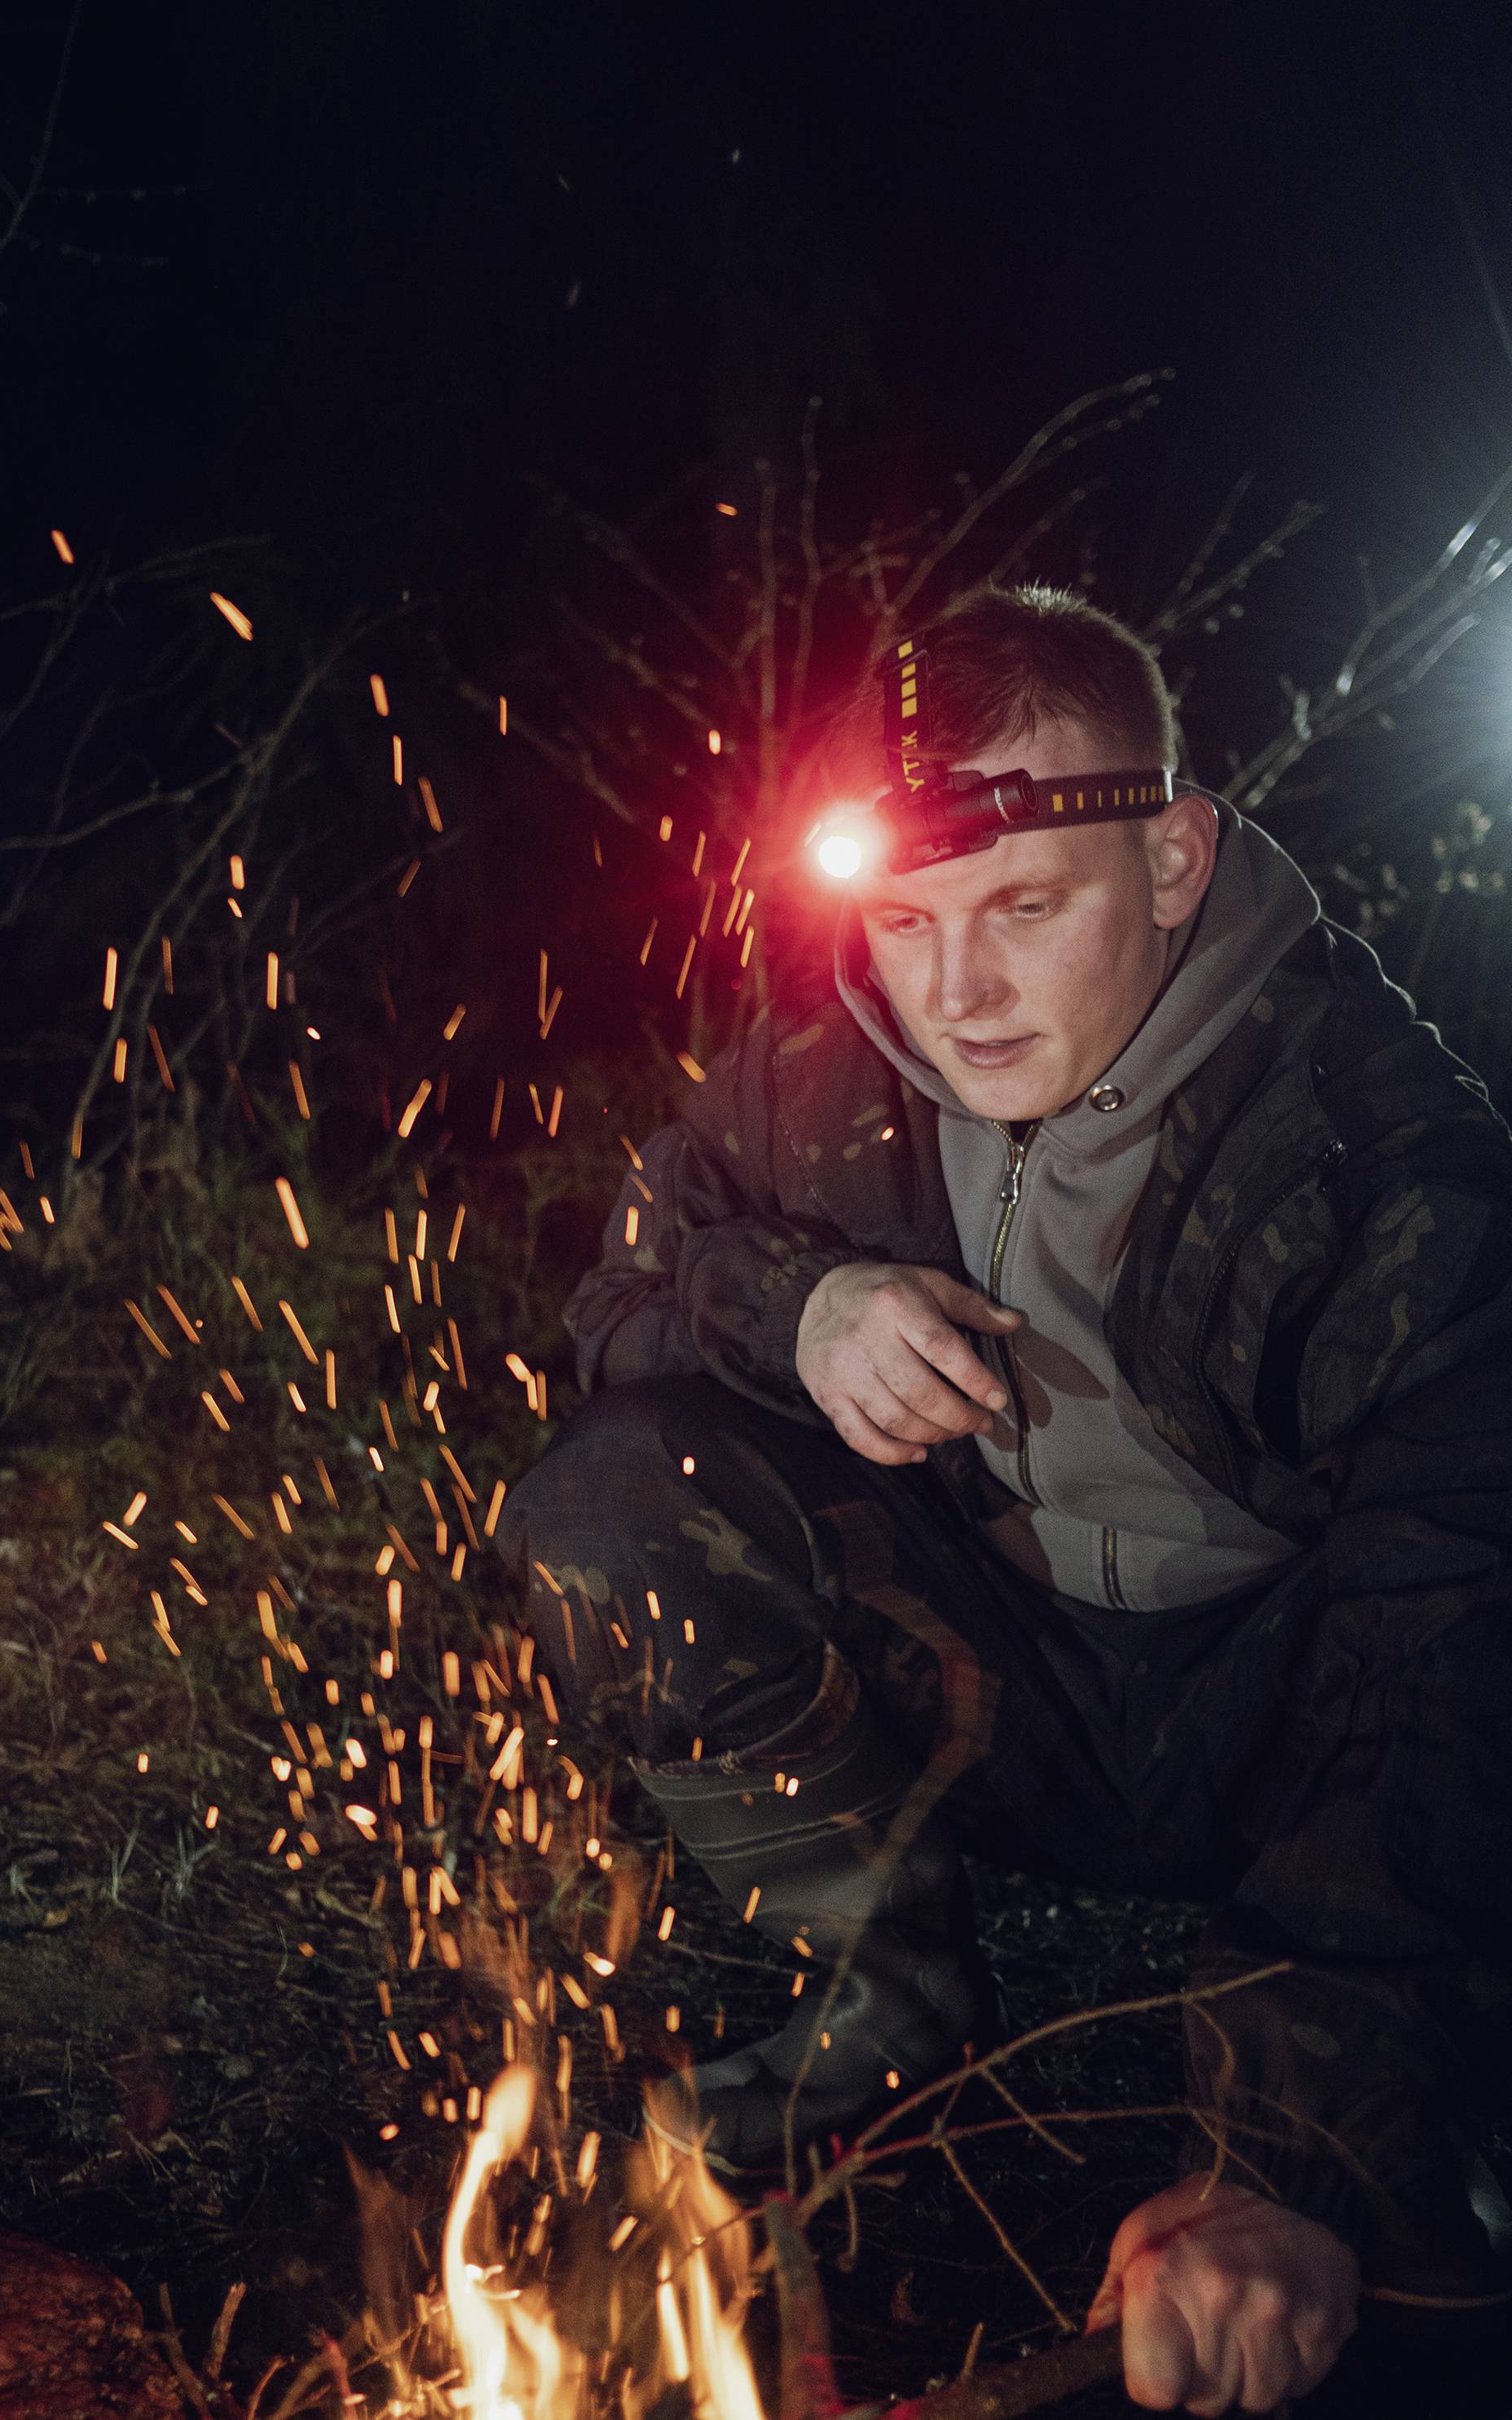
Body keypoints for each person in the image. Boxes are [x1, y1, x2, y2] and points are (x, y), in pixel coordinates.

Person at [498, 585, 1512, 2415]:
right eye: (902, 923)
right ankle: (881, 1999)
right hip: (1004, 1691)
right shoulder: (826, 1075)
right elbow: (622, 1290)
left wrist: (1293, 2156)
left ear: (1178, 856)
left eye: (1024, 913)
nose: (951, 994)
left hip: (1278, 1718)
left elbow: (1444, 1619)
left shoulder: (1378, 1157)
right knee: (610, 1499)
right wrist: (792, 1310)